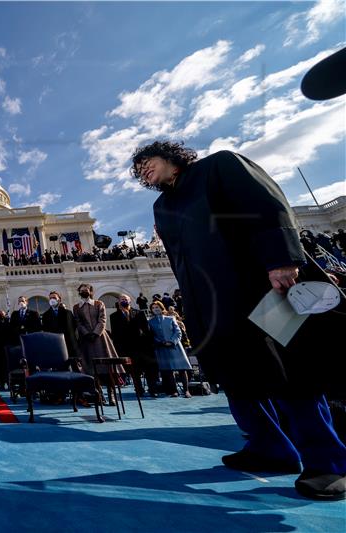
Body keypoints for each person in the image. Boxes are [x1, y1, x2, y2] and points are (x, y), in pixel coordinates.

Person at [131, 140, 346, 500]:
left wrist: (280, 259)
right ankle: (270, 449)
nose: (144, 171)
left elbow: (267, 204)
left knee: (289, 373)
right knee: (235, 378)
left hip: (258, 287)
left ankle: (328, 462)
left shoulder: (219, 166)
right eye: (138, 172)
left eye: (146, 162)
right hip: (211, 304)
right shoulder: (162, 205)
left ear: (169, 156)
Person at [72, 283, 120, 405]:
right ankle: (99, 395)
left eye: (86, 290)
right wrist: (87, 333)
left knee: (107, 367)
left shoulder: (99, 304)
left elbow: (102, 319)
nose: (84, 291)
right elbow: (78, 322)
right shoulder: (76, 307)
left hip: (101, 339)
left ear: (90, 291)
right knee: (91, 369)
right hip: (86, 340)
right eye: (82, 290)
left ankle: (111, 395)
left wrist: (96, 333)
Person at [110, 294, 158, 397]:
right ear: (118, 301)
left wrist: (149, 344)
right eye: (122, 299)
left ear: (130, 301)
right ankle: (139, 390)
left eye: (126, 299)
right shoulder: (113, 316)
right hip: (127, 348)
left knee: (148, 370)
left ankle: (153, 390)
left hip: (142, 347)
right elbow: (115, 334)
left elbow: (146, 330)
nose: (124, 301)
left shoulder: (139, 313)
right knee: (134, 372)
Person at [147, 301, 192, 398]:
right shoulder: (150, 322)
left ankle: (186, 390)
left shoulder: (171, 318)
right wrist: (161, 342)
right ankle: (174, 391)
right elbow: (152, 335)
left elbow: (178, 332)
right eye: (154, 308)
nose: (156, 309)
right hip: (162, 348)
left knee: (182, 369)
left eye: (157, 307)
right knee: (169, 371)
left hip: (175, 347)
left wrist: (171, 341)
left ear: (162, 308)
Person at [40, 291, 82, 370]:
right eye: (50, 298)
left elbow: (73, 328)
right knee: (59, 369)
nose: (52, 300)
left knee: (75, 368)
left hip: (69, 345)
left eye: (54, 298)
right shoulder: (46, 315)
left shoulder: (68, 313)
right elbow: (45, 331)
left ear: (59, 300)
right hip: (54, 345)